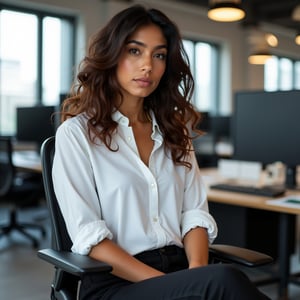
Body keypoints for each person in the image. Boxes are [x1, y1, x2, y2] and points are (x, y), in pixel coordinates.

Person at [52, 5, 270, 300]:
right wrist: (188, 288)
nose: (147, 66)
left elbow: (194, 215)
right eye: (134, 51)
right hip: (116, 283)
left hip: (181, 274)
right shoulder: (77, 135)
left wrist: (195, 276)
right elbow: (91, 240)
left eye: (159, 55)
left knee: (217, 283)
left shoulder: (174, 132)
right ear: (112, 54)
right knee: (224, 281)